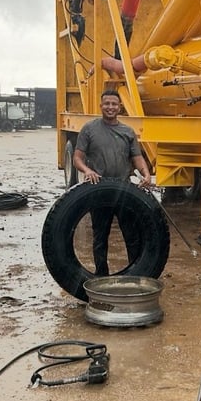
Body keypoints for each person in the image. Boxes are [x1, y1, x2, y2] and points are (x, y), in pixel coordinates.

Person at [73, 88, 153, 276]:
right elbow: (77, 157)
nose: (110, 107)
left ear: (120, 107)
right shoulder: (89, 129)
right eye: (107, 104)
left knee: (132, 237)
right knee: (100, 237)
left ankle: (135, 275)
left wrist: (146, 174)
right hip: (99, 190)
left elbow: (137, 157)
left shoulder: (127, 131)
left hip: (124, 190)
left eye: (114, 104)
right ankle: (101, 276)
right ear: (101, 106)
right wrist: (87, 170)